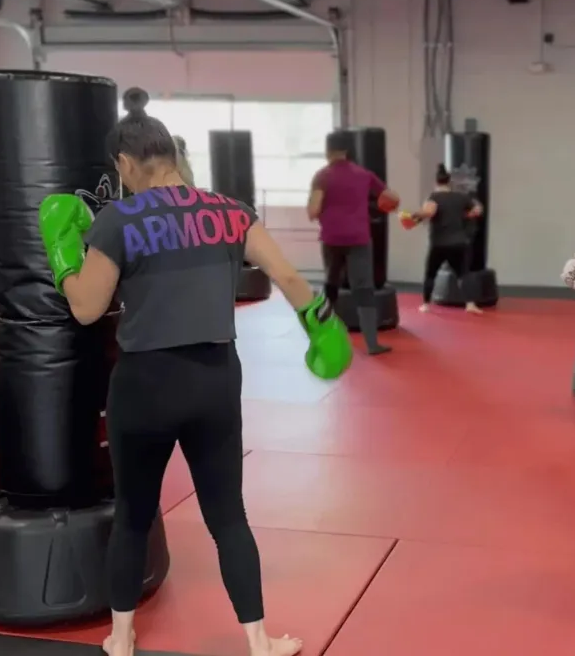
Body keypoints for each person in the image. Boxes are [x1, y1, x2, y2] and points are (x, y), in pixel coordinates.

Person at [36, 87, 353, 656]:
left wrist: (63, 253)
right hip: (214, 380)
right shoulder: (231, 212)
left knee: (133, 516)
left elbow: (86, 307)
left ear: (126, 163)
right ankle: (260, 642)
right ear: (173, 155)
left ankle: (121, 638)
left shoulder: (118, 219)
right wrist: (321, 325)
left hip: (144, 386)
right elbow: (286, 275)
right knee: (228, 516)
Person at [307, 130, 401, 356]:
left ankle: (322, 336)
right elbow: (394, 199)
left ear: (328, 150)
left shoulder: (322, 175)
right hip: (359, 238)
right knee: (364, 288)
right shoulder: (364, 174)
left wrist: (316, 210)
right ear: (348, 151)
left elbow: (314, 210)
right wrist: (378, 206)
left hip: (332, 239)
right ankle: (372, 344)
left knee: (331, 285)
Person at [407, 163, 485, 314]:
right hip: (459, 242)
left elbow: (429, 212)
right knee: (463, 274)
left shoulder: (434, 197)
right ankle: (470, 304)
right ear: (449, 182)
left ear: (436, 182)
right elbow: (478, 210)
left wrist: (414, 215)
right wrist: (465, 216)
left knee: (431, 274)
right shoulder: (461, 197)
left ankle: (425, 305)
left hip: (440, 243)